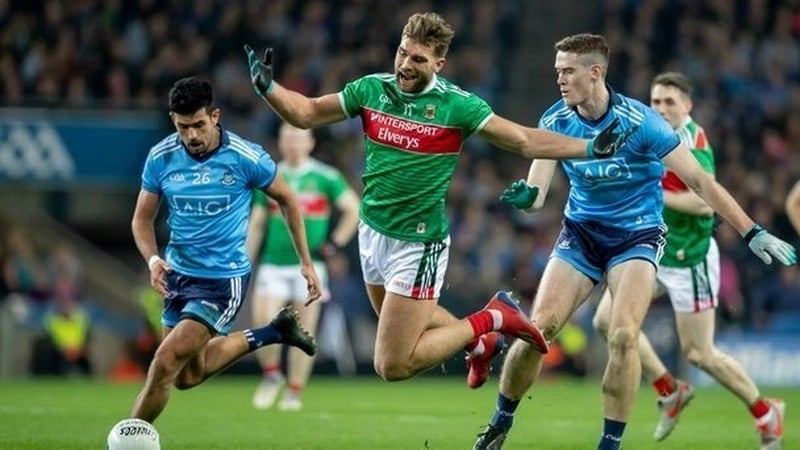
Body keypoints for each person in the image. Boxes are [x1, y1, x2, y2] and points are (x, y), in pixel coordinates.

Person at [244, 12, 636, 386]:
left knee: (391, 365)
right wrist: (268, 88)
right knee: (410, 321)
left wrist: (590, 147)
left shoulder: (457, 105)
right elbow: (307, 113)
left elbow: (524, 139)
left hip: (417, 244)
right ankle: (480, 343)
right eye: (402, 52)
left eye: (418, 59)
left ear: (439, 64)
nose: (405, 65)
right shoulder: (371, 90)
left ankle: (493, 318)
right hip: (372, 232)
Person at [472, 34, 795, 450]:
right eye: (557, 71)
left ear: (595, 72)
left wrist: (751, 230)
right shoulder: (555, 119)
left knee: (623, 335)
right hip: (581, 235)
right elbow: (536, 195)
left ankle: (610, 445)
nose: (560, 79)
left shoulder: (641, 122)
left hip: (637, 237)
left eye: (568, 71)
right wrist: (527, 199)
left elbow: (699, 180)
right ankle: (499, 424)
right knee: (540, 328)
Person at [590, 72, 787, 447]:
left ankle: (765, 410)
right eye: (656, 100)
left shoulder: (693, 142)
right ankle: (669, 389)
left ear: (687, 106)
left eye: (669, 102)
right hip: (653, 249)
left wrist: (653, 196)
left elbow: (701, 203)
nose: (661, 108)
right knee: (605, 322)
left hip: (688, 259)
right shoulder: (648, 131)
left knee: (700, 353)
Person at [127, 76, 322, 425]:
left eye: (199, 125)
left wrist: (306, 263)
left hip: (221, 279)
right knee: (187, 376)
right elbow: (142, 219)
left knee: (165, 361)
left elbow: (289, 200)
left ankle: (125, 440)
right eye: (183, 126)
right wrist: (153, 259)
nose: (192, 136)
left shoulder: (246, 157)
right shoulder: (161, 157)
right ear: (174, 119)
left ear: (215, 116)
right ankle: (272, 333)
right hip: (177, 276)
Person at [247, 122, 360, 411]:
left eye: (299, 137)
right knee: (263, 323)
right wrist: (245, 259)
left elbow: (353, 208)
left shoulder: (326, 176)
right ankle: (272, 375)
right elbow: (257, 222)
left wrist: (335, 242)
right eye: (288, 137)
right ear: (281, 142)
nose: (294, 142)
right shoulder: (271, 176)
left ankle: (294, 391)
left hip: (310, 267)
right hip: (273, 263)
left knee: (303, 332)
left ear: (310, 142)